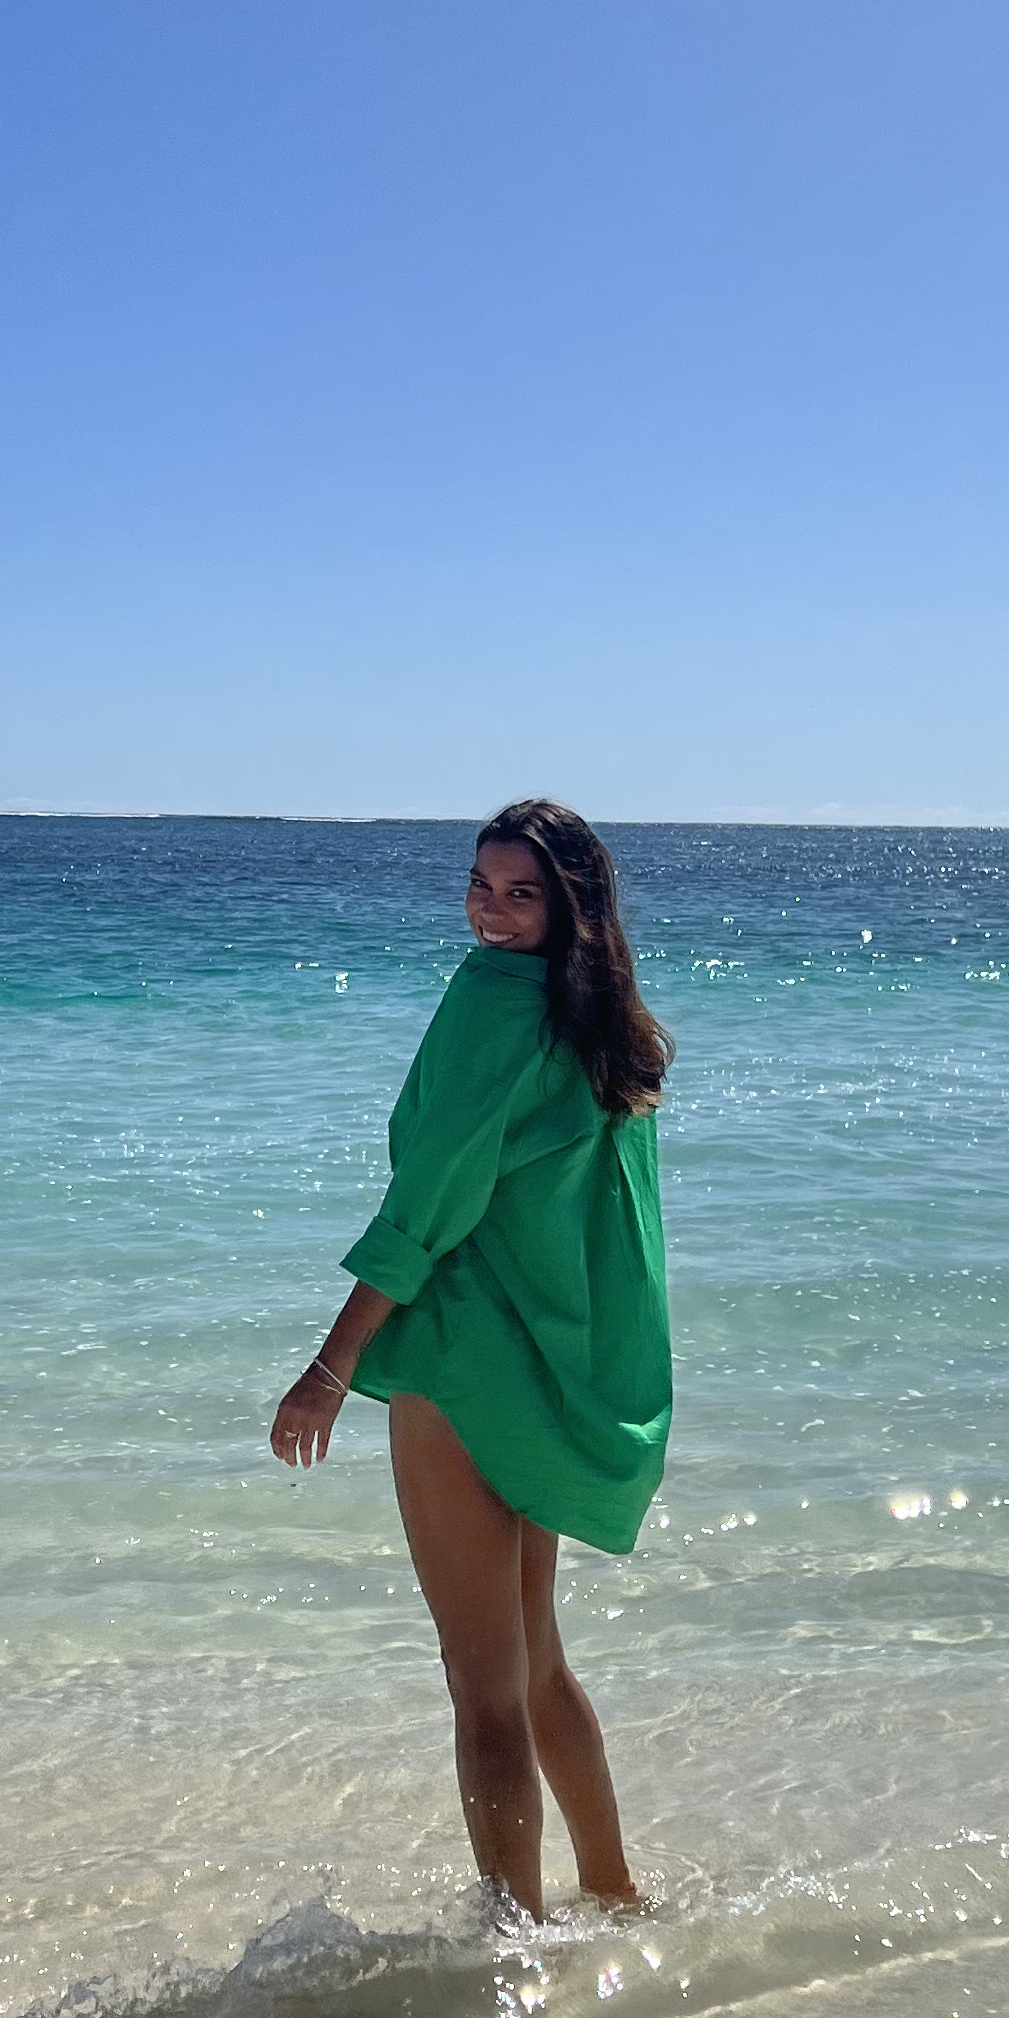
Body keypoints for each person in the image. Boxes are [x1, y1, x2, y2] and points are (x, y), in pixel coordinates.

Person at [271, 801, 673, 1918]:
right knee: (536, 1667)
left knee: (482, 1687)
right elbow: (621, 1236)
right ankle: (614, 1897)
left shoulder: (494, 1004)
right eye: (481, 887)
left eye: (521, 893)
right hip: (543, 1371)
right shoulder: (602, 1022)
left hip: (461, 1366)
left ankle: (511, 1949)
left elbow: (428, 1206)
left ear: (568, 904)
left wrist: (330, 1368)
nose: (492, 913)